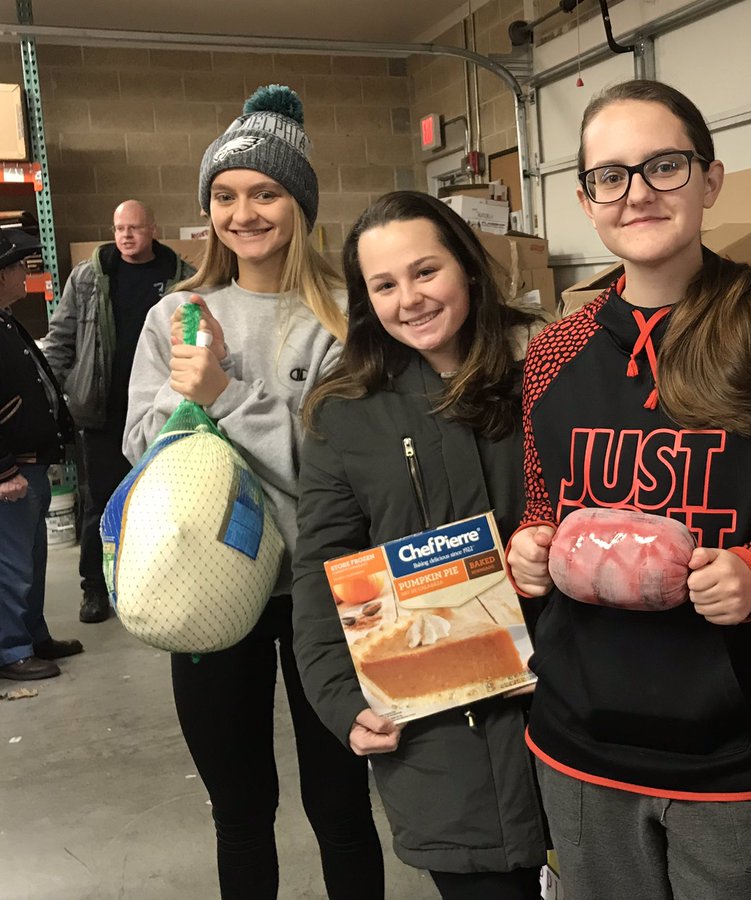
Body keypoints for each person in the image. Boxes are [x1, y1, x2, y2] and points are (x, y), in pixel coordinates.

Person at [505, 79, 751, 900]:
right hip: (581, 741)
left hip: (735, 746)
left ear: (709, 178)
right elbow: (543, 504)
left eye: (664, 165)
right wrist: (528, 548)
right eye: (611, 176)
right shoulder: (554, 354)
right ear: (587, 201)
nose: (639, 193)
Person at [123, 85, 384, 899]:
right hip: (207, 588)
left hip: (326, 592)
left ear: (298, 203)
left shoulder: (346, 317)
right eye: (225, 196)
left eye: (266, 192)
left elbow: (340, 465)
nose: (245, 212)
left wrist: (224, 395)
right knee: (240, 809)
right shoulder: (177, 316)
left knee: (340, 804)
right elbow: (141, 450)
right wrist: (184, 397)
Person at [292, 191, 548, 900]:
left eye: (425, 271)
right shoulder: (344, 414)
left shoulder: (547, 371)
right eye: (384, 285)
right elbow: (321, 572)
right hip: (440, 734)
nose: (409, 298)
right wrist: (342, 700)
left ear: (466, 266)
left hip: (568, 705)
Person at [41, 199, 194, 624]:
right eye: (118, 228)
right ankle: (94, 588)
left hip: (162, 414)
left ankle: (163, 587)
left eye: (134, 228)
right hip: (105, 415)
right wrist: (61, 396)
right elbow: (59, 339)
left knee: (167, 505)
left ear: (153, 229)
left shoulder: (180, 277)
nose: (125, 236)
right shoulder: (89, 278)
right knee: (100, 504)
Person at [0, 228, 85, 680]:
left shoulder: (6, 319)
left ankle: (34, 636)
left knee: (32, 561)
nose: (25, 274)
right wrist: (3, 471)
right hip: (12, 474)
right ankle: (11, 651)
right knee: (11, 565)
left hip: (31, 467)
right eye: (18, 267)